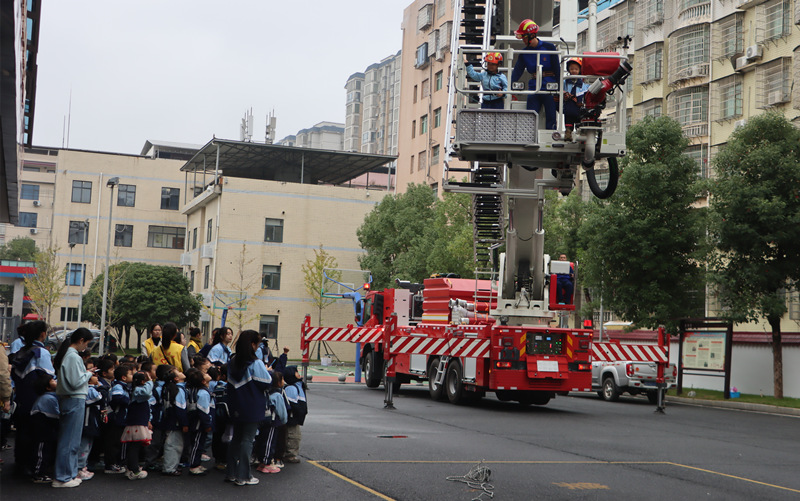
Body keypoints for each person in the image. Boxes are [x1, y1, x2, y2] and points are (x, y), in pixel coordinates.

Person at [226, 330, 271, 486]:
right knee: (247, 440)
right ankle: (244, 475)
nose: (258, 346)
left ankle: (231, 473)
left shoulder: (232, 362)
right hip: (252, 406)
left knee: (236, 439)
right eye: (257, 344)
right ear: (252, 345)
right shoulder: (255, 363)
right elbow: (267, 382)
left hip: (236, 405)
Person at [10, 320, 55, 477]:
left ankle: (20, 465)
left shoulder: (21, 352)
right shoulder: (41, 353)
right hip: (37, 401)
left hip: (20, 398)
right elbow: (49, 378)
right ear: (43, 334)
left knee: (22, 433)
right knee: (38, 436)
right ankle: (35, 468)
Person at [53, 327, 96, 487]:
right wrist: (89, 374)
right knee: (70, 440)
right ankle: (63, 476)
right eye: (86, 343)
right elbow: (75, 382)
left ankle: (68, 474)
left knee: (69, 439)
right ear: (81, 340)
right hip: (74, 398)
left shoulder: (68, 355)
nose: (86, 348)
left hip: (69, 399)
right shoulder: (73, 356)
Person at [511, 19, 560, 130]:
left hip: (549, 87)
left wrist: (560, 89)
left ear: (531, 35)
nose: (523, 39)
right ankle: (529, 137)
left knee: (551, 116)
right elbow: (517, 71)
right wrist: (508, 87)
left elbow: (557, 69)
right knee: (530, 116)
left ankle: (551, 137)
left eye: (524, 37)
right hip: (534, 87)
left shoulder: (549, 48)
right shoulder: (524, 53)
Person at [121, 371, 153, 480]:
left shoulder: (133, 389)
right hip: (137, 421)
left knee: (135, 446)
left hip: (138, 421)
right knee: (134, 446)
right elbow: (147, 393)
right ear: (143, 381)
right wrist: (150, 382)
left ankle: (132, 468)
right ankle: (133, 470)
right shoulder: (138, 390)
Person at [30, 374, 58, 483]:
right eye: (52, 380)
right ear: (47, 387)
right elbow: (56, 416)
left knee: (45, 451)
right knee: (41, 452)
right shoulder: (48, 398)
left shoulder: (49, 397)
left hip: (45, 431)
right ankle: (38, 474)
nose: (55, 381)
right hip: (42, 432)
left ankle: (42, 471)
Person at [160, 365, 188, 476]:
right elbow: (180, 408)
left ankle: (170, 466)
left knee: (171, 443)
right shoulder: (178, 390)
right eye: (177, 371)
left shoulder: (169, 388)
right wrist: (184, 423)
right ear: (176, 378)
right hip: (175, 421)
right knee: (174, 445)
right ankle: (170, 468)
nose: (181, 372)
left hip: (169, 419)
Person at [185, 368, 212, 475]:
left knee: (195, 442)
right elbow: (203, 410)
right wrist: (207, 424)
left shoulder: (189, 390)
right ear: (203, 381)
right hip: (199, 422)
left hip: (191, 418)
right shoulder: (203, 393)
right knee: (198, 443)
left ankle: (197, 463)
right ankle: (194, 465)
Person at [282, 365, 307, 464]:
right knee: (293, 436)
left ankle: (290, 453)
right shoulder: (291, 388)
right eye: (296, 371)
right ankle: (290, 454)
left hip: (296, 417)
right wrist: (299, 413)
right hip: (293, 417)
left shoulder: (298, 385)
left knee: (295, 435)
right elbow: (292, 405)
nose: (298, 373)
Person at [560, 57, 589, 138]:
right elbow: (561, 90)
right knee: (568, 116)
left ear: (580, 70)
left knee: (581, 118)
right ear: (568, 70)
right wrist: (565, 94)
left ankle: (581, 132)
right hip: (569, 106)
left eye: (576, 69)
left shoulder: (584, 82)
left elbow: (587, 92)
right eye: (572, 69)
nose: (574, 71)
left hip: (579, 106)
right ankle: (568, 131)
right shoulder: (565, 81)